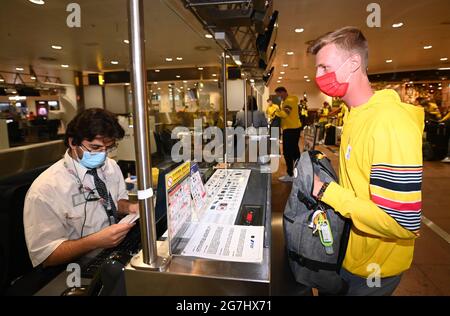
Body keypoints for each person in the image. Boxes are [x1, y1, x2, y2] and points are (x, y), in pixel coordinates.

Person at [307, 27, 424, 295]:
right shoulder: (355, 115)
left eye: (324, 67)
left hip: (375, 267)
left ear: (353, 64)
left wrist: (326, 191)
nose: (318, 77)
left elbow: (401, 223)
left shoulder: (390, 123)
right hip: (349, 253)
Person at [24, 108, 139, 268]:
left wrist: (130, 207)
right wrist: (94, 241)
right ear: (73, 142)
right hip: (76, 267)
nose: (103, 155)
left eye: (108, 148)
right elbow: (46, 256)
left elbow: (113, 202)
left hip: (114, 251)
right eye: (95, 148)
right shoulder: (45, 189)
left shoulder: (110, 166)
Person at [274, 86, 301, 182]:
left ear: (283, 92)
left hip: (290, 130)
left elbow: (285, 114)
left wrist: (276, 112)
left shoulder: (289, 100)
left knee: (287, 153)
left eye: (279, 95)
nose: (279, 97)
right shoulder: (290, 100)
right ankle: (298, 173)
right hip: (294, 129)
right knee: (295, 152)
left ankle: (290, 174)